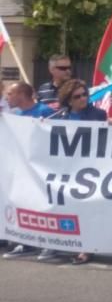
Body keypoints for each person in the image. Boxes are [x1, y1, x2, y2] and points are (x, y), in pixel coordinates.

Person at [50, 79, 109, 264]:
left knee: (88, 208)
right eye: (77, 96)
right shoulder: (61, 117)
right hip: (68, 169)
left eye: (85, 94)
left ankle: (87, 248)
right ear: (68, 100)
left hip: (90, 169)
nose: (83, 98)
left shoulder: (98, 114)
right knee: (71, 208)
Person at [2, 82, 56, 260]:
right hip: (23, 170)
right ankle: (27, 242)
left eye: (10, 93)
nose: (7, 97)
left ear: (21, 95)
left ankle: (50, 243)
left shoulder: (44, 111)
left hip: (43, 169)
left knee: (45, 207)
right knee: (25, 205)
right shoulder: (15, 115)